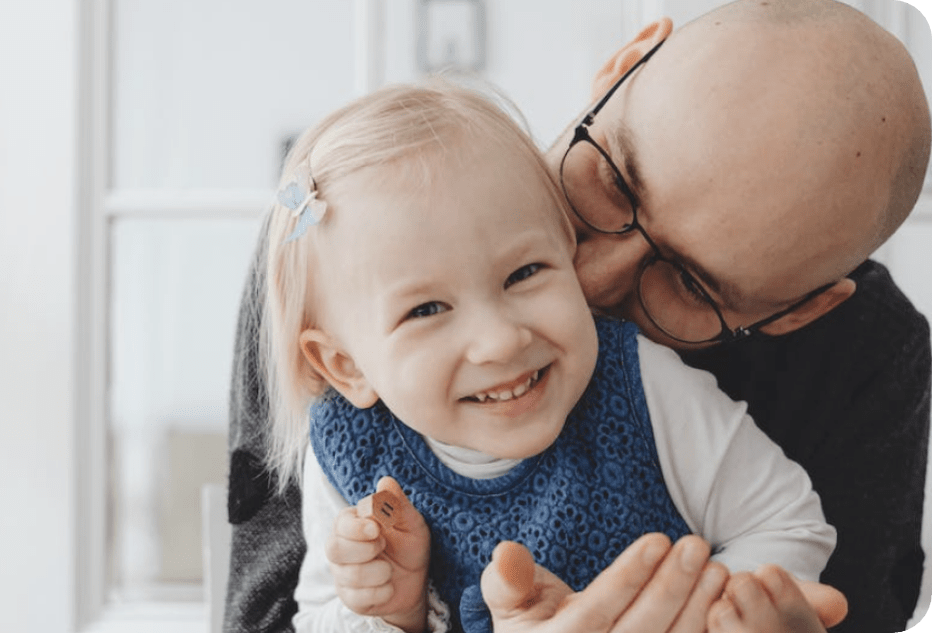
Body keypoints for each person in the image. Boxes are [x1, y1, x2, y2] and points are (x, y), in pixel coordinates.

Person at [224, 1, 931, 632]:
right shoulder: (342, 257)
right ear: (622, 67)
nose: (588, 275)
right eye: (612, 179)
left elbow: (821, 570)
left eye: (687, 282)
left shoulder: (868, 361)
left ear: (797, 312)